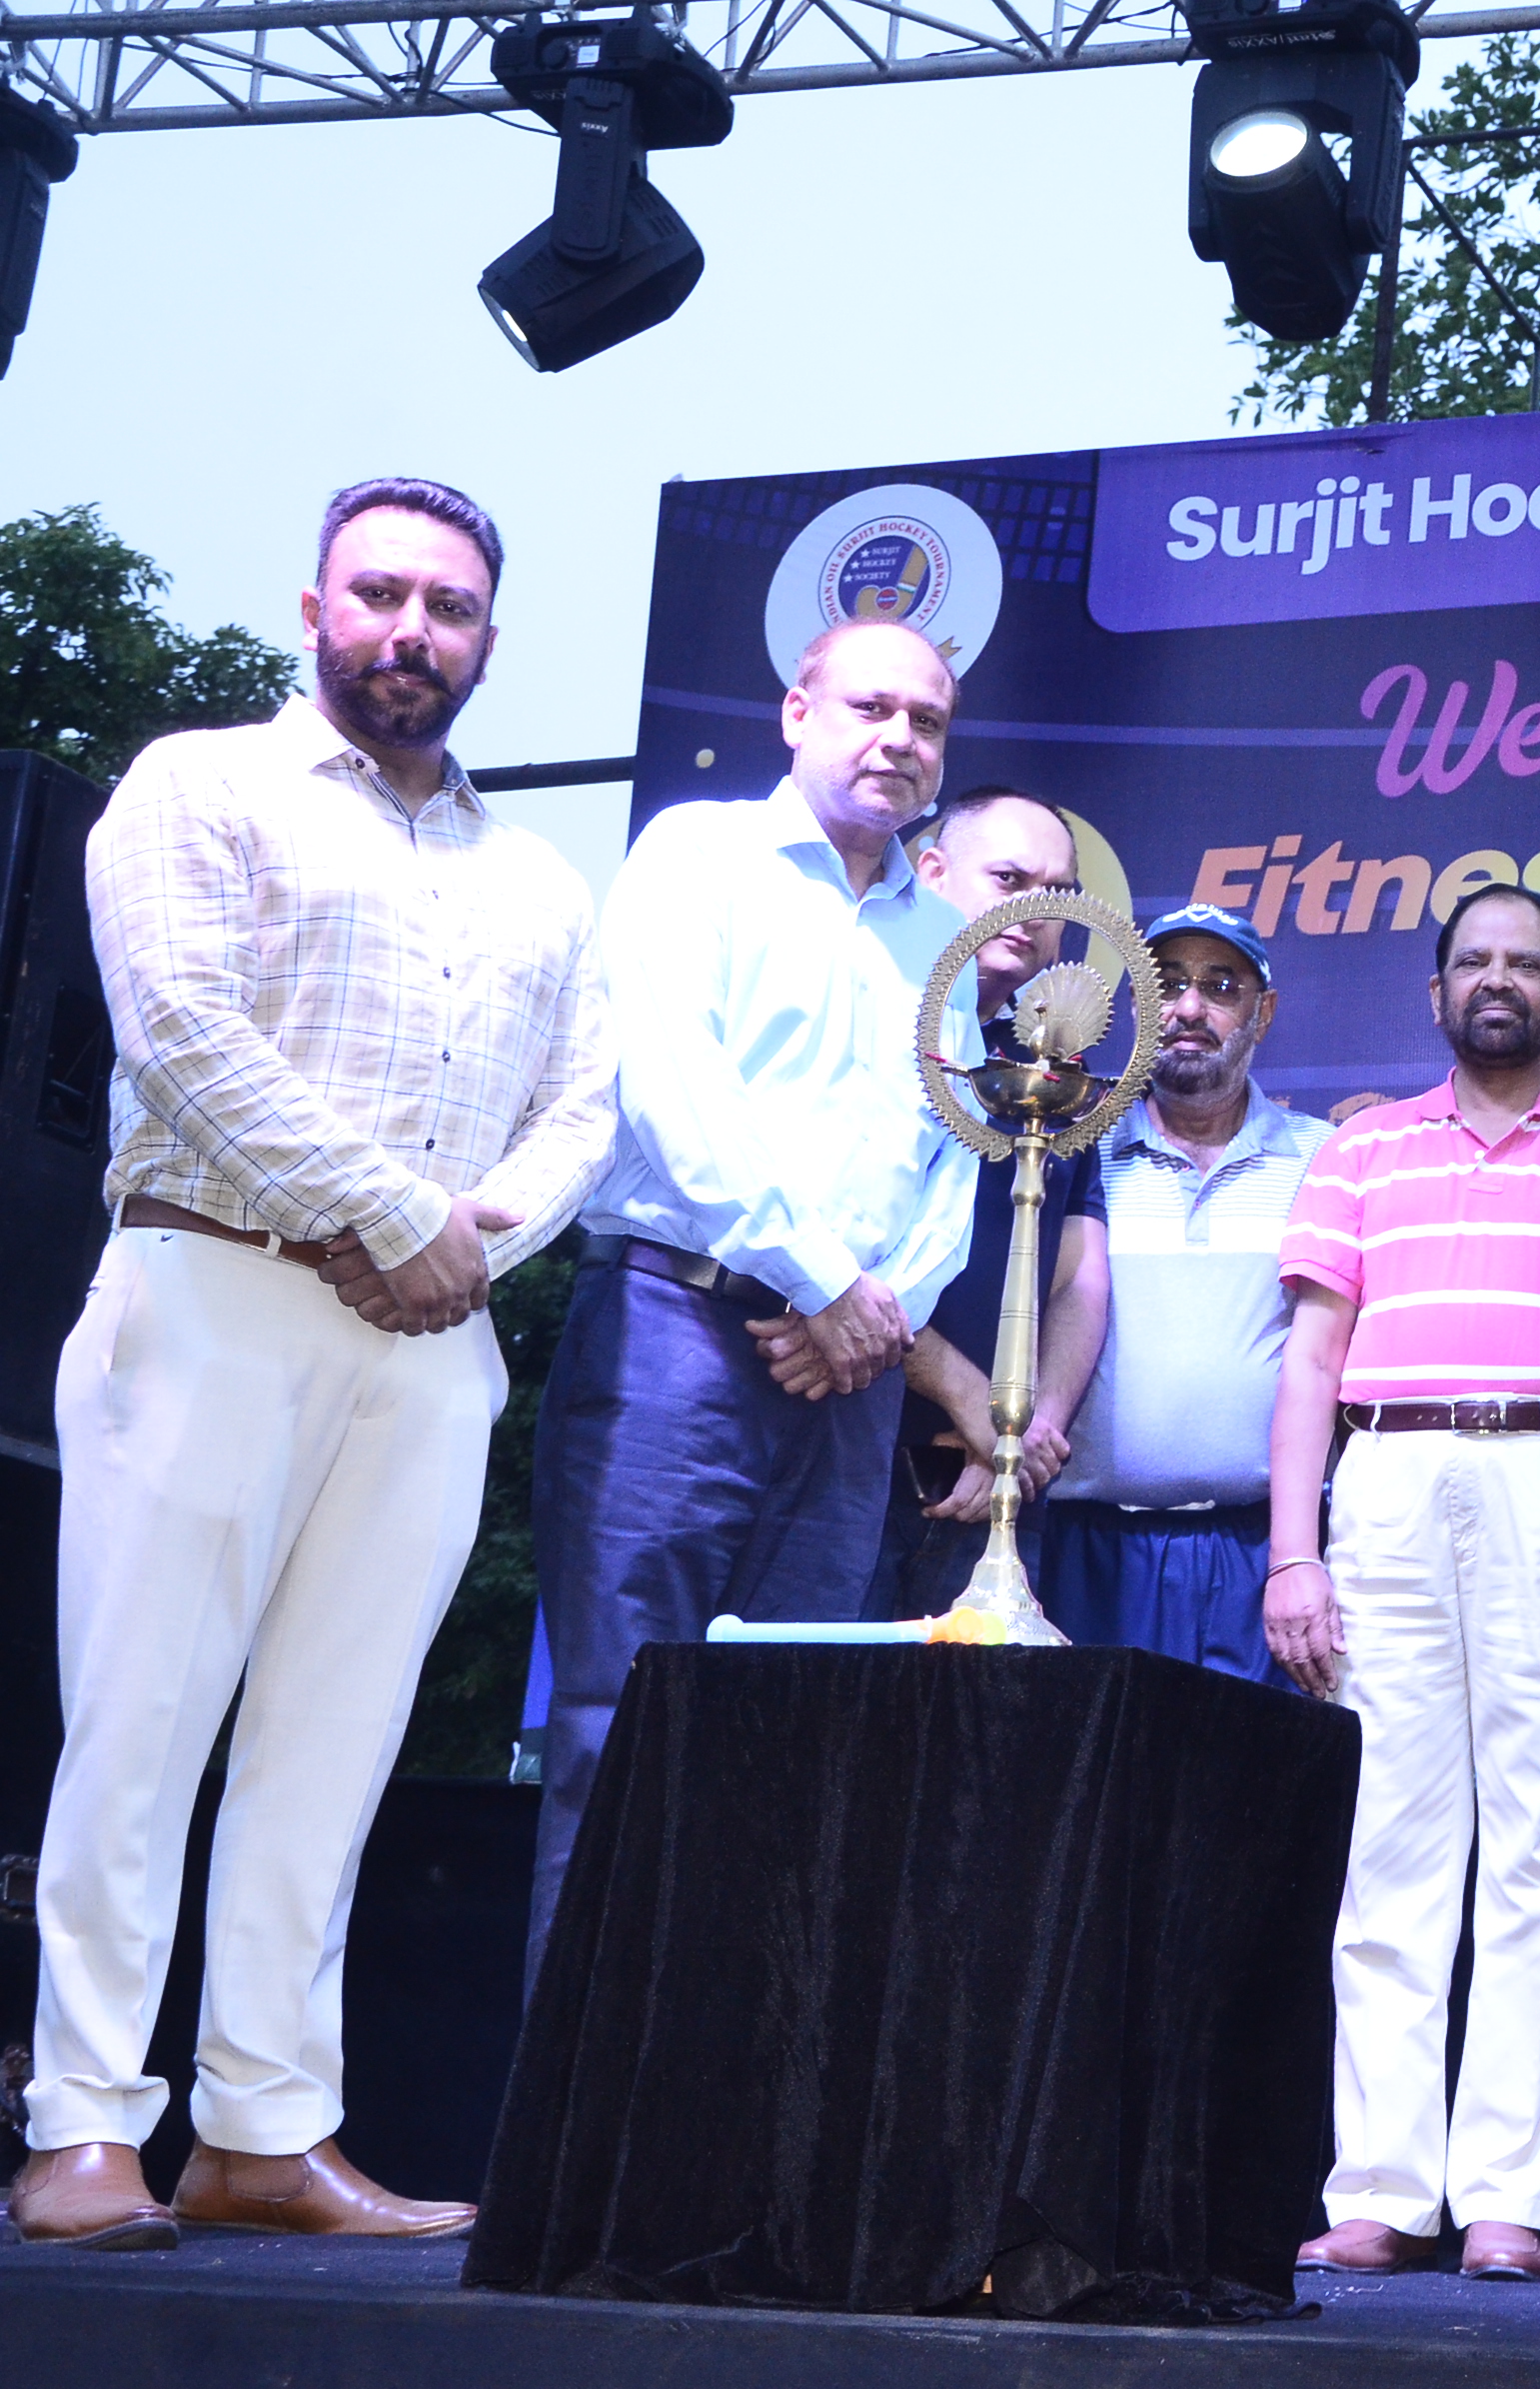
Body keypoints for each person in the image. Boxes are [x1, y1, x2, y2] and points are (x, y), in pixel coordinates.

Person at [10, 479, 611, 2249]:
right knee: (139, 1722)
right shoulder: (199, 782)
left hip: (433, 1337)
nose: (413, 629)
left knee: (333, 1749)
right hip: (212, 1285)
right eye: (382, 592)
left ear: (490, 637)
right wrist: (386, 1209)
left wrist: (465, 1240)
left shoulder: (538, 877)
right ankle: (81, 2124)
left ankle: (263, 2127)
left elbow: (584, 1107)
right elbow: (178, 1028)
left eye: (451, 605)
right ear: (315, 607)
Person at [527, 617, 980, 1969]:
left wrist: (875, 1315)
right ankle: (578, 2099)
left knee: (789, 1746)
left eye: (928, 721)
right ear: (797, 712)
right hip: (675, 1335)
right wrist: (826, 1282)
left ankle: (729, 2098)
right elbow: (672, 1090)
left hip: (847, 1382)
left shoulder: (944, 940)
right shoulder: (698, 855)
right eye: (871, 707)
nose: (900, 739)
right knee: (620, 1726)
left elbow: (957, 1160)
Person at [1271, 884, 1540, 2283]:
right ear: (1436, 991)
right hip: (1386, 1481)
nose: (1496, 981)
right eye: (1472, 962)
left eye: (1524, 964)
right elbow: (1311, 1362)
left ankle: (1510, 2193)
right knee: (1388, 1853)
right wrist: (1293, 1552)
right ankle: (1381, 2191)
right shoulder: (1360, 1152)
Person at [1037, 904, 1331, 1681]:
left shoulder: (1326, 1161)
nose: (1189, 1008)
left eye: (1220, 985)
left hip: (1266, 1555)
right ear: (1138, 1006)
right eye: (1165, 984)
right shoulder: (1070, 1153)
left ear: (1263, 1013)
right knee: (1096, 1760)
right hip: (1089, 1552)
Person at [865, 786, 1087, 1621]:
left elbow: (1080, 1279)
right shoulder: (868, 1023)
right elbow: (842, 1252)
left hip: (997, 1484)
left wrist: (1023, 1437)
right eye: (1008, 879)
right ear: (930, 872)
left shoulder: (1052, 1077)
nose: (1033, 909)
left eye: (1057, 893)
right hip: (852, 1443)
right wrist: (969, 1398)